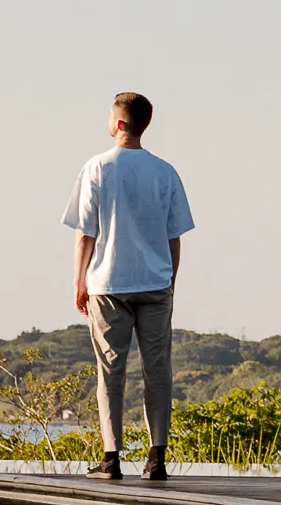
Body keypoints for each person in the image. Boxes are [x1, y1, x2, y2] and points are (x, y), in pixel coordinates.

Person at [61, 91, 194, 483]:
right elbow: (175, 236)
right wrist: (170, 280)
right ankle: (156, 458)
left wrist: (79, 281)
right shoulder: (165, 172)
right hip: (155, 282)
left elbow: (86, 234)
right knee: (158, 372)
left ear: (118, 123)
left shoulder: (98, 168)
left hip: (108, 282)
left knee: (110, 372)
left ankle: (111, 457)